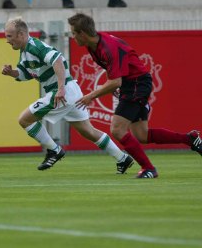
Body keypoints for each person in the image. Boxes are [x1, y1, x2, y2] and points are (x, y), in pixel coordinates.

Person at [68, 13, 202, 178]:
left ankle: (149, 169)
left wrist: (91, 96)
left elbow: (115, 81)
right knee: (141, 135)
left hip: (137, 84)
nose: (73, 37)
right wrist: (119, 82)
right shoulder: (93, 46)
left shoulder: (107, 47)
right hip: (132, 83)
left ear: (82, 33)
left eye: (74, 33)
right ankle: (190, 139)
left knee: (117, 129)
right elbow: (117, 77)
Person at [2, 17, 134, 173]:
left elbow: (57, 60)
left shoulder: (34, 47)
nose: (7, 40)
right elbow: (26, 74)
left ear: (22, 34)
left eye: (9, 36)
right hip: (72, 91)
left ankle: (54, 150)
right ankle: (122, 158)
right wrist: (12, 73)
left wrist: (60, 89)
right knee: (88, 131)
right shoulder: (25, 52)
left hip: (62, 92)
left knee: (24, 119)